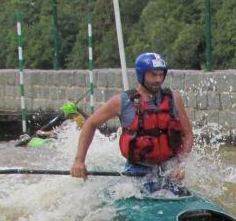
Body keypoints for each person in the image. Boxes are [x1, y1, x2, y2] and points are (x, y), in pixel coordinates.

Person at [71, 52, 194, 192]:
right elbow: (90, 124)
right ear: (141, 75)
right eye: (153, 75)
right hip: (137, 171)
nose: (158, 79)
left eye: (161, 75)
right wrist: (79, 161)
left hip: (168, 169)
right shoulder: (122, 101)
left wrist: (180, 164)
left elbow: (188, 134)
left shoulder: (174, 98)